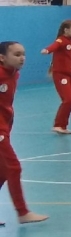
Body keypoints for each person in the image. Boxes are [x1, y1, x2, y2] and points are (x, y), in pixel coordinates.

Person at [0, 40, 47, 224]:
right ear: (2, 58)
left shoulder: (14, 73)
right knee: (13, 167)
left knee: (2, 171)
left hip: (5, 126)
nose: (22, 58)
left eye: (23, 54)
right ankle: (22, 213)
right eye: (17, 54)